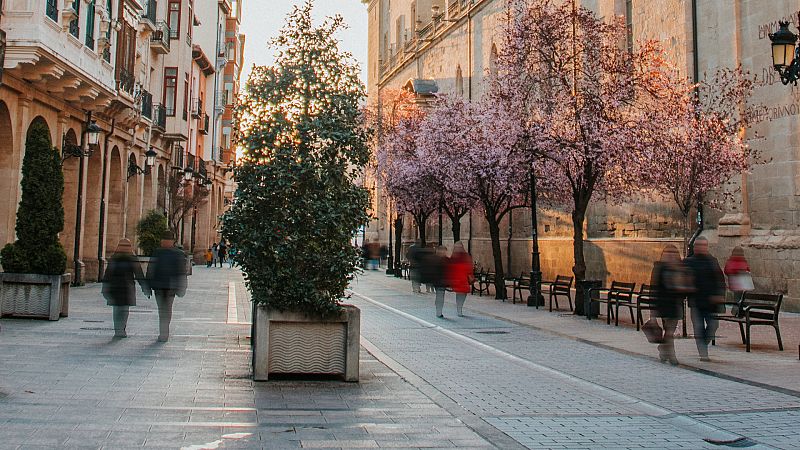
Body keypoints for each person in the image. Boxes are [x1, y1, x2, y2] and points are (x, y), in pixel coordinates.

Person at [649, 245, 691, 365]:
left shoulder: (681, 268)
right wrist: (652, 313)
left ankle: (663, 349)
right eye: (669, 253)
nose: (671, 256)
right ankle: (672, 356)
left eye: (674, 253)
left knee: (669, 331)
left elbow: (686, 287)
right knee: (669, 331)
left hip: (675, 304)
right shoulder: (659, 268)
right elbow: (654, 289)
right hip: (663, 305)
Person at [685, 237, 725, 362]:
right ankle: (703, 353)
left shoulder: (712, 261)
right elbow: (683, 279)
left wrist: (719, 295)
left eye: (704, 245)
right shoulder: (688, 262)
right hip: (696, 301)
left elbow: (720, 279)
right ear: (695, 247)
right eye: (699, 245)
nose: (701, 248)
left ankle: (703, 343)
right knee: (699, 327)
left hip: (710, 302)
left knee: (713, 324)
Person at [143, 232, 188, 342]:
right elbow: (150, 269)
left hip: (169, 287)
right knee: (163, 309)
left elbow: (182, 272)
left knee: (166, 309)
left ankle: (164, 332)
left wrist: (182, 286)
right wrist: (147, 286)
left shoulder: (178, 254)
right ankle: (164, 331)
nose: (164, 242)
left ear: (172, 241)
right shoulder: (158, 253)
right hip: (159, 286)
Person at [102, 239, 144, 338]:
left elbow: (138, 274)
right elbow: (139, 274)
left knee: (120, 309)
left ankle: (119, 329)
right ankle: (120, 329)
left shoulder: (116, 258)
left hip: (120, 288)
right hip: (123, 287)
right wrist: (145, 287)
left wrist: (105, 287)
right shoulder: (123, 258)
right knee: (121, 309)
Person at [447, 242, 473, 317]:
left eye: (459, 246)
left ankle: (460, 306)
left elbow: (469, 265)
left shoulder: (466, 256)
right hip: (457, 278)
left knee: (464, 293)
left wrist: (470, 274)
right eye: (457, 247)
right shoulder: (454, 256)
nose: (458, 248)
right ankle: (459, 308)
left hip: (464, 277)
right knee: (459, 293)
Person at [724, 246, 752, 316]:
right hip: (741, 282)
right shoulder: (743, 261)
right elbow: (747, 270)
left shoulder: (731, 260)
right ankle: (737, 311)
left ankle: (736, 311)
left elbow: (726, 271)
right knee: (739, 298)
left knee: (737, 298)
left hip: (734, 282)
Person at [430, 246, 448, 318]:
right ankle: (439, 311)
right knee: (440, 296)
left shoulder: (435, 259)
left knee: (440, 295)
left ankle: (438, 308)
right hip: (439, 281)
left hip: (440, 281)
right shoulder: (439, 260)